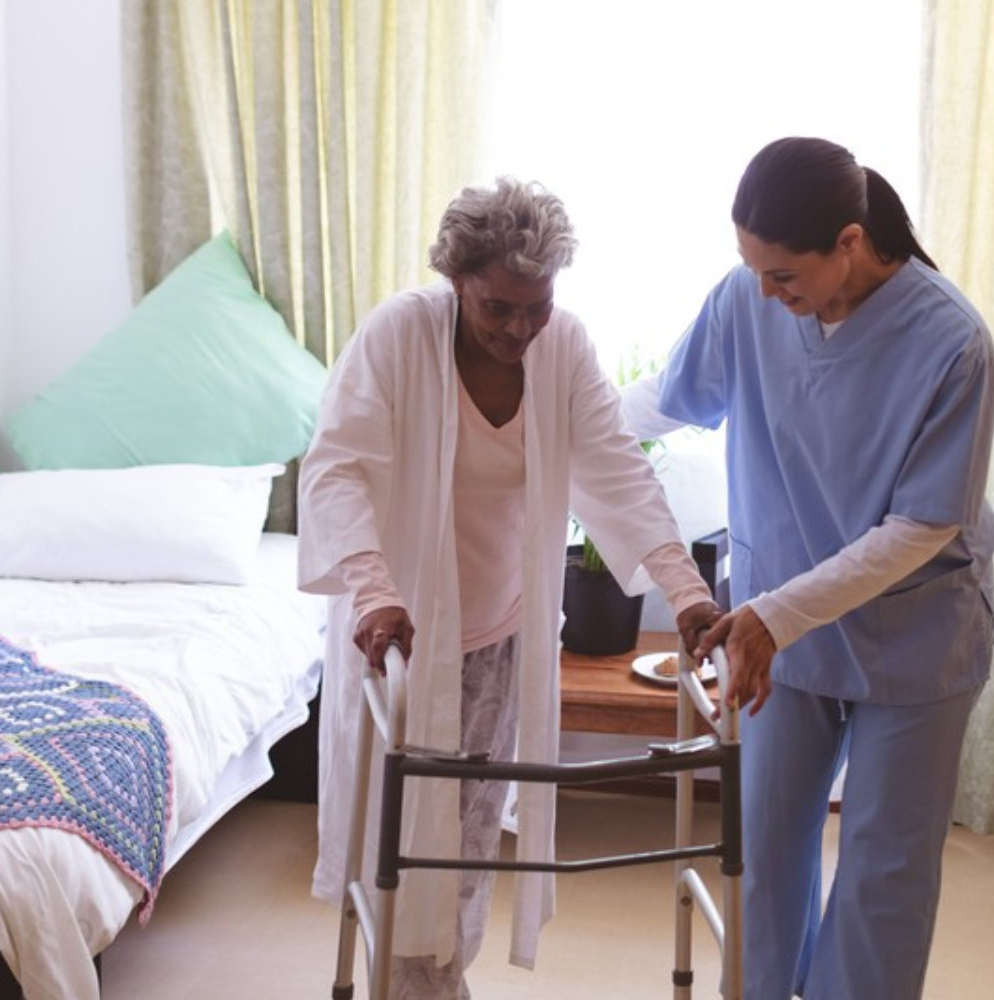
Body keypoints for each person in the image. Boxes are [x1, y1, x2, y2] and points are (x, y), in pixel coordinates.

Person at [298, 177, 721, 1000]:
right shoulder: (399, 335)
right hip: (402, 626)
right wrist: (373, 590)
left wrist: (689, 590)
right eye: (499, 308)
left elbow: (616, 473)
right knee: (403, 832)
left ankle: (436, 979)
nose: (520, 328)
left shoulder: (562, 347)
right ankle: (412, 983)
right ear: (457, 281)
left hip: (501, 628)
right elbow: (337, 469)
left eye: (537, 306)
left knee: (468, 830)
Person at [630, 137, 994, 1000]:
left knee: (882, 872)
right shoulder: (746, 300)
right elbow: (661, 400)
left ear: (849, 242)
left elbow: (921, 525)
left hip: (912, 634)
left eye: (784, 276)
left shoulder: (953, 344)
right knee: (764, 845)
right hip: (778, 633)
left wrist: (775, 615)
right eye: (752, 269)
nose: (765, 293)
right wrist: (559, 415)